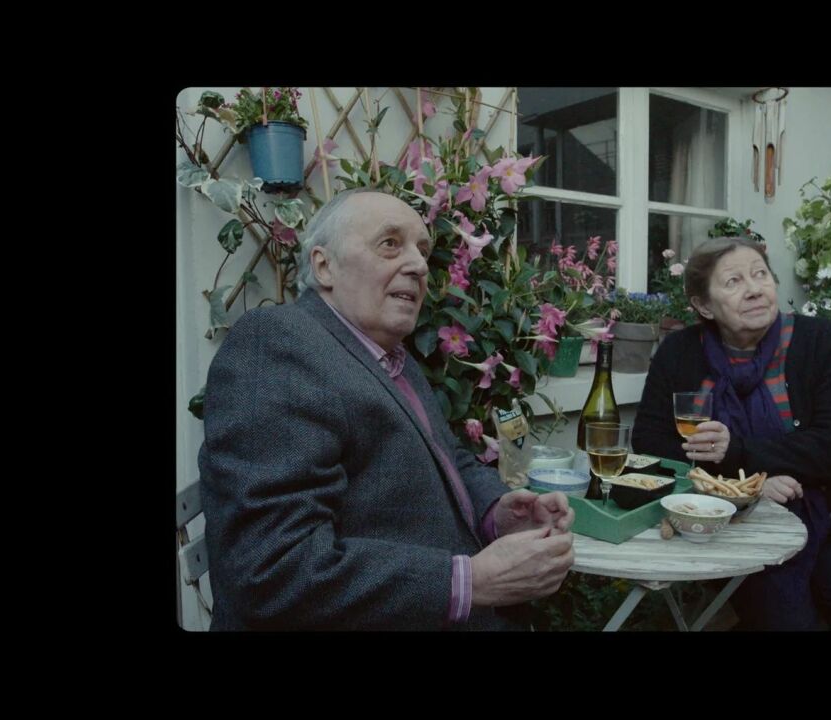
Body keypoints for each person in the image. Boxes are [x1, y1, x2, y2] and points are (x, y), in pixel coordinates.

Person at [198, 188, 575, 631]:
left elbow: (448, 457)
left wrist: (497, 512)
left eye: (422, 250)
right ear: (324, 265)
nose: (419, 265)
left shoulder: (390, 357)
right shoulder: (278, 345)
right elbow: (273, 568)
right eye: (390, 243)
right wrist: (469, 583)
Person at [632, 236, 831, 631]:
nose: (754, 289)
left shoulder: (819, 341)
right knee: (786, 623)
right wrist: (748, 488)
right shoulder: (679, 352)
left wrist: (738, 454)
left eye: (760, 274)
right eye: (734, 281)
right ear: (704, 306)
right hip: (737, 525)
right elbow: (651, 442)